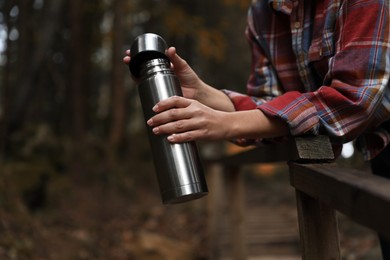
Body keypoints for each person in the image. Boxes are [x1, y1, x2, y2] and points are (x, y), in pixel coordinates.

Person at [124, 0, 390, 257]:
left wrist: (225, 123)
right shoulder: (263, 11)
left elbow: (353, 100)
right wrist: (204, 94)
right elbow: (273, 111)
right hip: (380, 152)